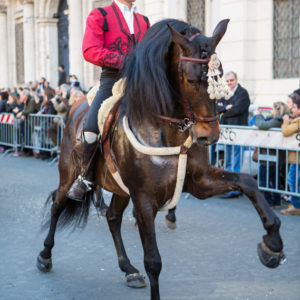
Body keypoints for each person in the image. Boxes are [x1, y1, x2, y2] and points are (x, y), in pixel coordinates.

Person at [67, 0, 150, 202]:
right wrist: (125, 60)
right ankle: (85, 177)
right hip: (112, 80)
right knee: (90, 128)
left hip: (141, 81)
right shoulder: (100, 15)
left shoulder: (144, 21)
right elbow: (90, 50)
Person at [217, 71, 250, 198]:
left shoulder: (243, 93)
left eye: (231, 80)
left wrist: (224, 109)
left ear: (236, 80)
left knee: (236, 161)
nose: (229, 83)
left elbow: (238, 109)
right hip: (227, 134)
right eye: (228, 81)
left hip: (239, 133)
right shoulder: (225, 93)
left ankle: (235, 189)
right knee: (229, 161)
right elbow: (217, 107)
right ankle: (229, 186)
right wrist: (226, 107)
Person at [254, 101, 289, 207]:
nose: (271, 111)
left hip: (270, 156)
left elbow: (262, 125)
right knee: (275, 180)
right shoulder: (279, 120)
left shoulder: (277, 121)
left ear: (278, 110)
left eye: (273, 109)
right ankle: (276, 201)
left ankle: (268, 202)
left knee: (265, 179)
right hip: (274, 156)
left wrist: (258, 115)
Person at [280, 95, 300, 215]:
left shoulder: (298, 121)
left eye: (294, 107)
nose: (291, 109)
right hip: (295, 158)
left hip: (297, 159)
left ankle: (296, 205)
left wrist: (285, 122)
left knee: (292, 180)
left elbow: (286, 132)